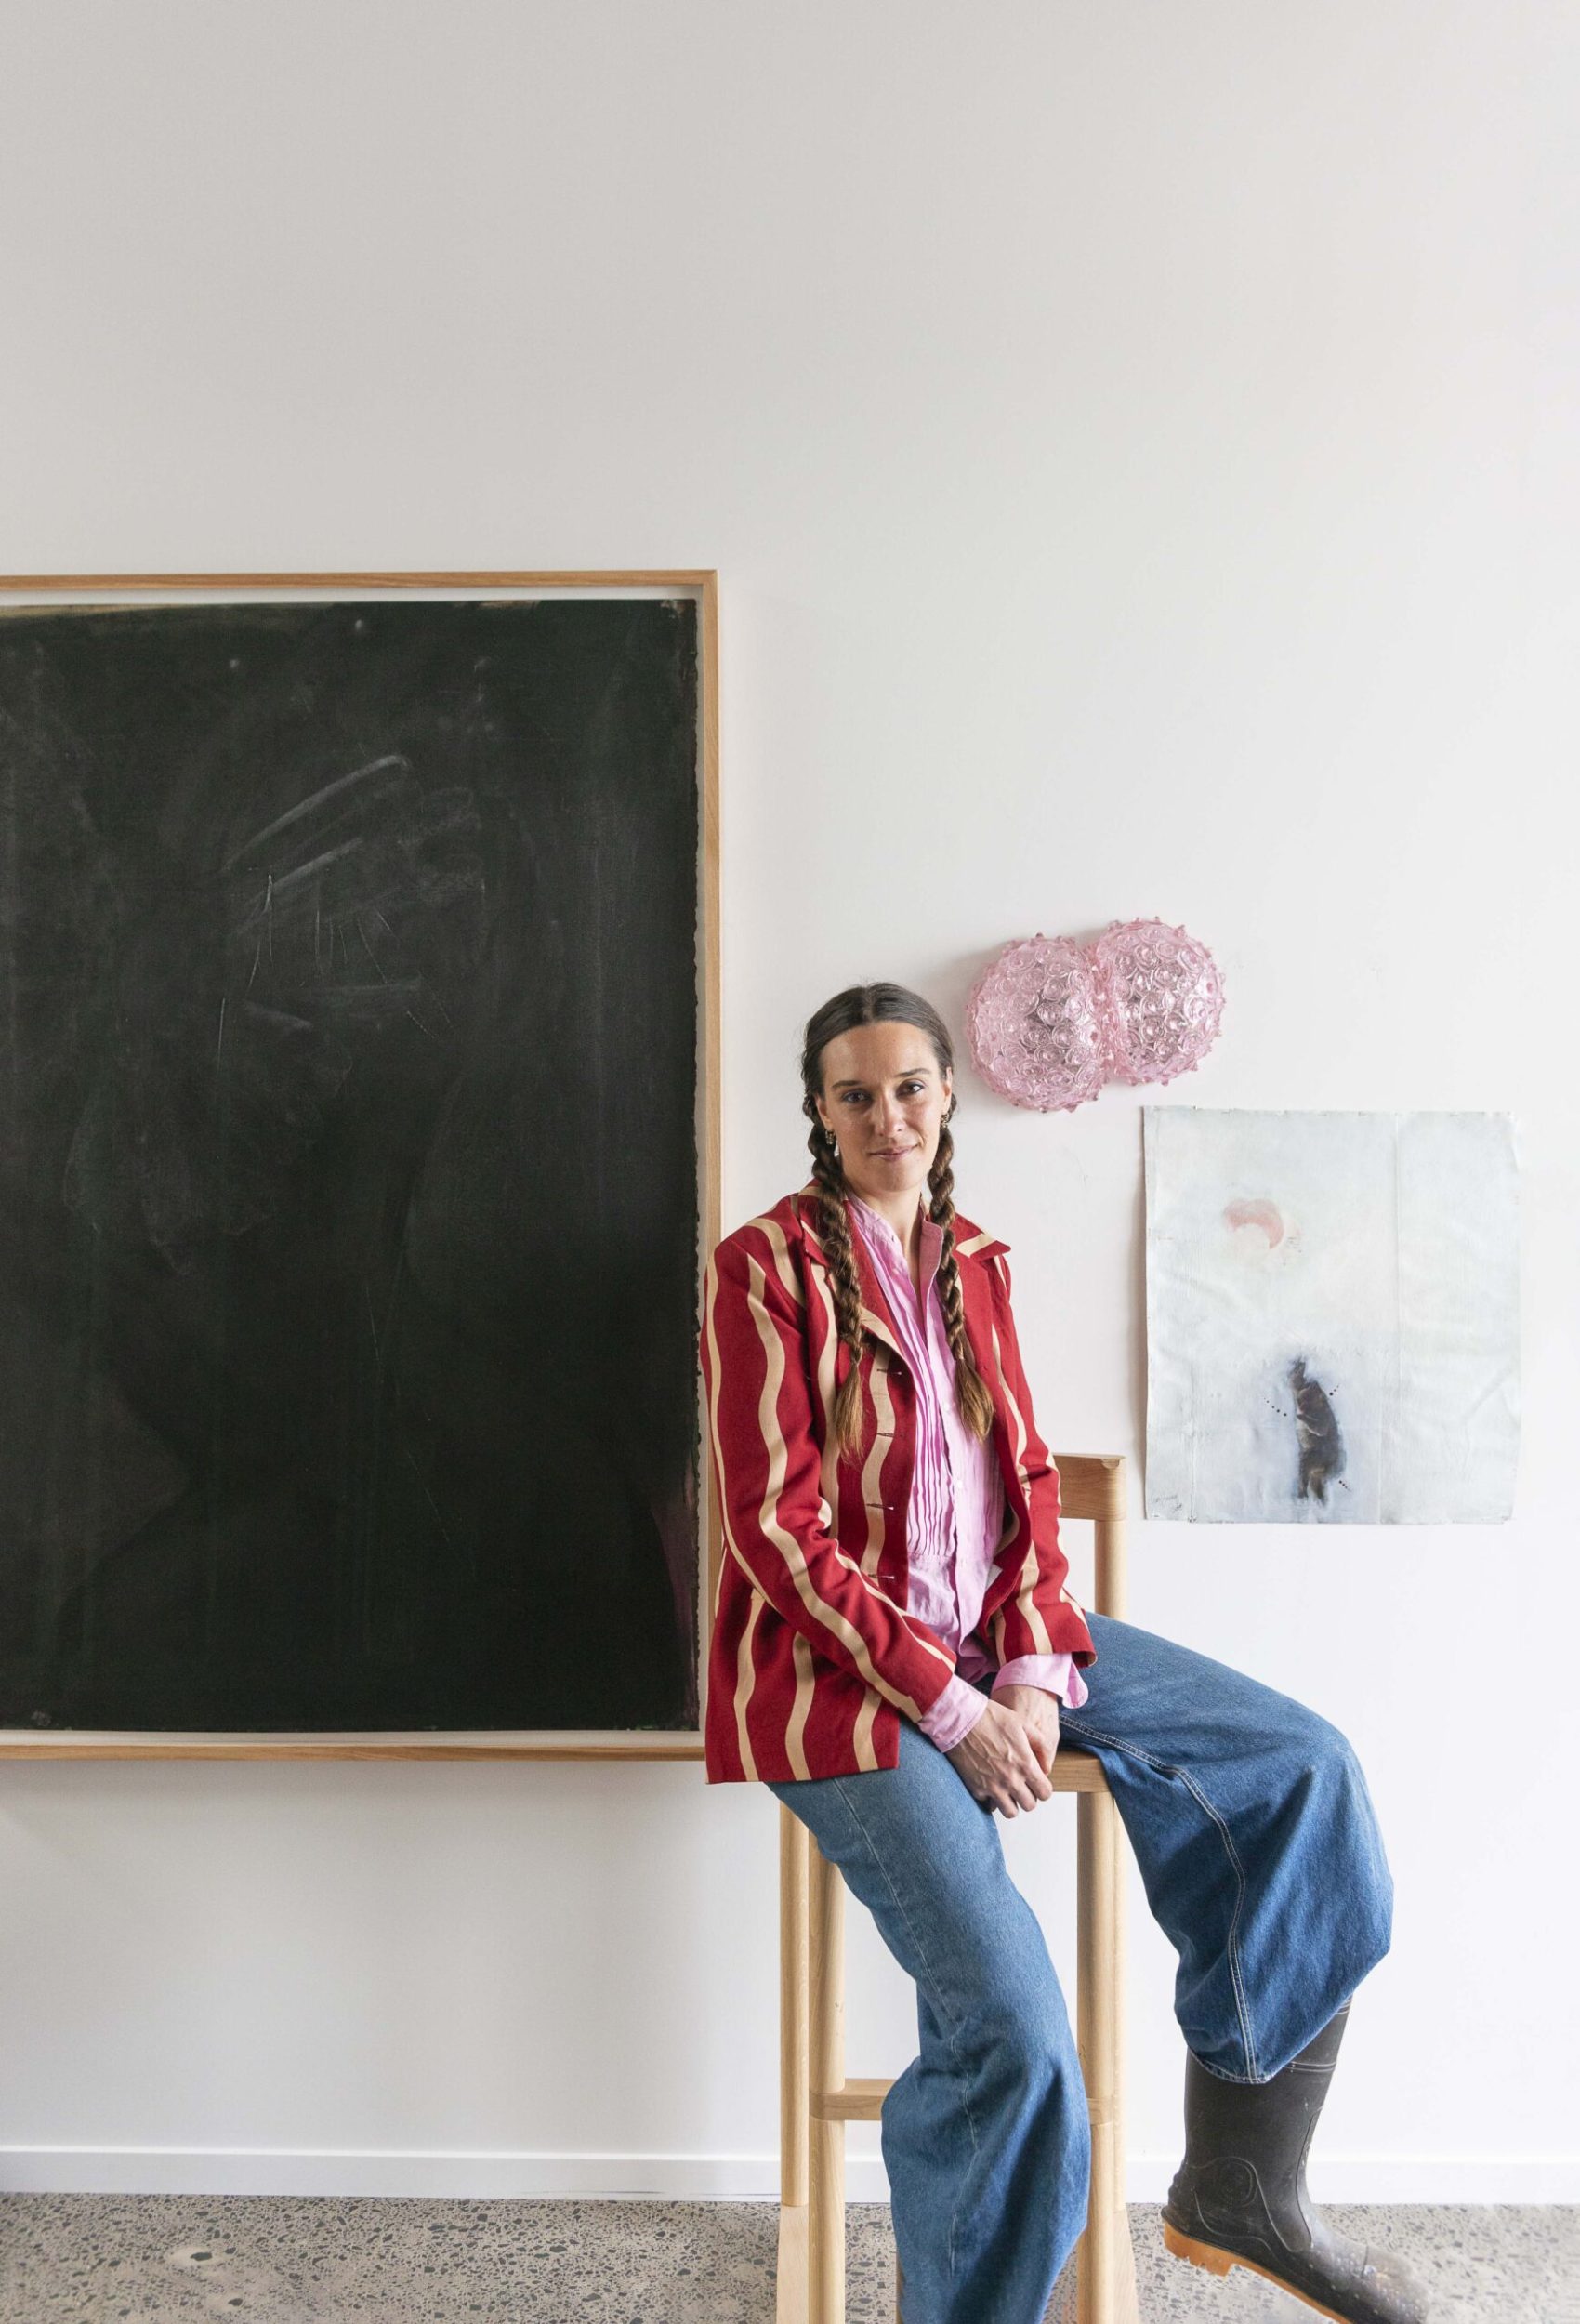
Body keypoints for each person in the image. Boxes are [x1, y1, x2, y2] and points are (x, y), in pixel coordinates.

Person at [697, 981, 1433, 2324]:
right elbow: (775, 1533)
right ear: (816, 1111)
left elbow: (1026, 1482)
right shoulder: (766, 1269)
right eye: (854, 1094)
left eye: (908, 1086)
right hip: (844, 1682)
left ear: (944, 1097)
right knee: (1021, 2042)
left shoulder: (977, 1260)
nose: (885, 1115)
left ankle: (1243, 2187)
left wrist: (1031, 1674)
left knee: (1303, 1767)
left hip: (995, 1633)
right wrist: (955, 1708)